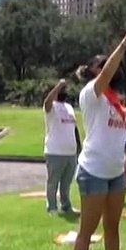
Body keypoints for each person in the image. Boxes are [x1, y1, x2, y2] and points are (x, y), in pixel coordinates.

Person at [72, 28, 126, 250]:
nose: (115, 68)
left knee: (112, 227)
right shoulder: (92, 92)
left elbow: (122, 122)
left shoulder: (114, 100)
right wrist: (124, 42)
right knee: (87, 231)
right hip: (93, 171)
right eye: (104, 65)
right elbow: (108, 70)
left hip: (115, 172)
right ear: (94, 71)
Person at [43, 79, 81, 215]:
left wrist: (78, 145)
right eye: (61, 90)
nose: (64, 92)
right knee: (53, 182)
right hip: (55, 151)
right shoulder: (51, 106)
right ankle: (52, 207)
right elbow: (46, 102)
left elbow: (74, 127)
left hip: (70, 151)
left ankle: (66, 206)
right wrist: (58, 86)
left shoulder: (69, 107)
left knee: (66, 183)